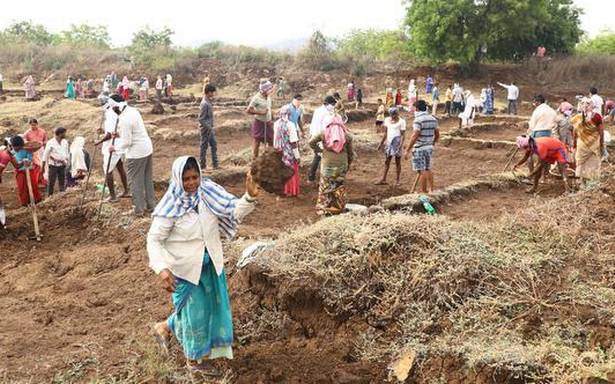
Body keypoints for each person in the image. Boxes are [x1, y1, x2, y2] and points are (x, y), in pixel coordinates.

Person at [148, 156, 259, 373]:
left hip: (210, 265)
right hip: (185, 271)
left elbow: (233, 210)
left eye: (195, 177)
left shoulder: (208, 193)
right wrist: (161, 268)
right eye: (186, 179)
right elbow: (154, 239)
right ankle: (194, 361)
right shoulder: (170, 205)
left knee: (205, 309)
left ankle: (164, 327)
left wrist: (250, 197)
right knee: (195, 314)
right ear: (178, 179)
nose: (191, 183)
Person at [108, 94, 156, 216]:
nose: (113, 112)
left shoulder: (124, 119)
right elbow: (133, 131)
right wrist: (118, 134)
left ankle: (138, 209)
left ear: (116, 108)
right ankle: (151, 205)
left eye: (113, 109)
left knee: (134, 181)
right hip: (146, 148)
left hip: (136, 153)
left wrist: (115, 148)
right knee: (146, 179)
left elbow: (127, 142)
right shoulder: (133, 111)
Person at [309, 114, 353, 215]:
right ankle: (337, 207)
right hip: (342, 164)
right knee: (339, 185)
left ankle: (323, 208)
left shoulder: (323, 133)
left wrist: (320, 150)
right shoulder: (347, 135)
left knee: (325, 184)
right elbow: (351, 154)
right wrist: (348, 165)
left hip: (327, 164)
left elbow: (311, 142)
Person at [95, 100, 130, 202]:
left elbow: (110, 134)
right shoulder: (115, 113)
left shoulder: (110, 115)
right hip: (119, 145)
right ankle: (126, 191)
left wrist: (99, 141)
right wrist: (102, 131)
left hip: (113, 146)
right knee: (120, 167)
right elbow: (110, 131)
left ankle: (112, 196)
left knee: (107, 170)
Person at [405, 100, 439, 194]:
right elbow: (437, 134)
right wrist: (432, 143)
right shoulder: (433, 118)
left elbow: (415, 135)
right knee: (428, 168)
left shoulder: (418, 120)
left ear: (417, 108)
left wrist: (408, 149)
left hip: (419, 148)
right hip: (429, 147)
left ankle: (424, 191)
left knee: (421, 170)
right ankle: (431, 190)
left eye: (414, 108)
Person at [571, 97, 604, 186]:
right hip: (594, 144)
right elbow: (601, 132)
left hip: (581, 143)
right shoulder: (597, 116)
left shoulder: (577, 118)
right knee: (593, 162)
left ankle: (581, 182)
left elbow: (574, 133)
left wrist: (574, 144)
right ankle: (592, 182)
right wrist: (601, 144)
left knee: (581, 162)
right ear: (592, 106)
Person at [273, 105, 301, 197]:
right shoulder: (290, 125)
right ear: (289, 114)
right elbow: (293, 142)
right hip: (288, 153)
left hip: (279, 151)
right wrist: (297, 156)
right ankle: (290, 191)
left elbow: (275, 140)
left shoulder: (276, 124)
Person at [308, 96, 337, 183]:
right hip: (318, 137)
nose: (333, 106)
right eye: (332, 104)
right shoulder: (321, 112)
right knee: (318, 157)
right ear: (327, 104)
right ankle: (311, 177)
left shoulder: (327, 111)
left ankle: (316, 177)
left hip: (323, 137)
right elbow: (317, 126)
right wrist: (319, 140)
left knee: (320, 157)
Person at [376, 107, 406, 186]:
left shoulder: (402, 121)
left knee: (397, 162)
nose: (393, 116)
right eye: (391, 115)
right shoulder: (387, 120)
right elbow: (386, 133)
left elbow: (403, 135)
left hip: (397, 143)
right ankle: (383, 179)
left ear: (397, 114)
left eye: (394, 115)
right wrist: (381, 143)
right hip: (389, 142)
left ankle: (398, 180)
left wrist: (401, 144)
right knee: (387, 161)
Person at [10, 136, 42, 206]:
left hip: (29, 170)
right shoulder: (11, 152)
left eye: (18, 147)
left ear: (21, 146)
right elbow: (13, 161)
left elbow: (30, 158)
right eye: (14, 147)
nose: (16, 149)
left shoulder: (27, 149)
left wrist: (28, 161)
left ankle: (36, 201)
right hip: (19, 172)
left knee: (33, 186)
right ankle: (25, 203)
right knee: (22, 187)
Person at [246, 80, 274, 159]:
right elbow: (248, 110)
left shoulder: (268, 97)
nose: (271, 90)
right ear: (264, 90)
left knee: (271, 140)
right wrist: (261, 112)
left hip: (268, 122)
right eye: (269, 89)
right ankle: (255, 159)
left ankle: (269, 159)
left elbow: (269, 108)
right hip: (259, 122)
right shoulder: (256, 98)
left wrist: (271, 118)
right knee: (257, 141)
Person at [42, 127, 69, 196]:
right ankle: (49, 196)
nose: (65, 134)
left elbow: (66, 153)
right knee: (51, 182)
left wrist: (66, 161)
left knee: (62, 181)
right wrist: (42, 168)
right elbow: (45, 155)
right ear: (60, 134)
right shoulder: (50, 142)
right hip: (53, 165)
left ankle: (62, 195)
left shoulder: (65, 142)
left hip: (62, 164)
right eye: (64, 133)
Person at [198, 84, 219, 170]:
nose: (213, 94)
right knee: (204, 147)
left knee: (214, 145)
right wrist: (209, 127)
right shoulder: (204, 104)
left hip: (209, 129)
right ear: (209, 92)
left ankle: (215, 164)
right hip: (206, 130)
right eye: (212, 92)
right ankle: (202, 165)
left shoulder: (208, 101)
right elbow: (201, 119)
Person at [24, 118, 48, 188]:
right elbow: (24, 141)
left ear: (37, 124)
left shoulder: (43, 131)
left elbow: (46, 141)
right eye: (31, 125)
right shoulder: (27, 132)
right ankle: (36, 181)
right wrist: (30, 143)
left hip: (41, 150)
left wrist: (42, 143)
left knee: (44, 165)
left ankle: (44, 180)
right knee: (37, 166)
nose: (33, 126)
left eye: (34, 125)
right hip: (33, 151)